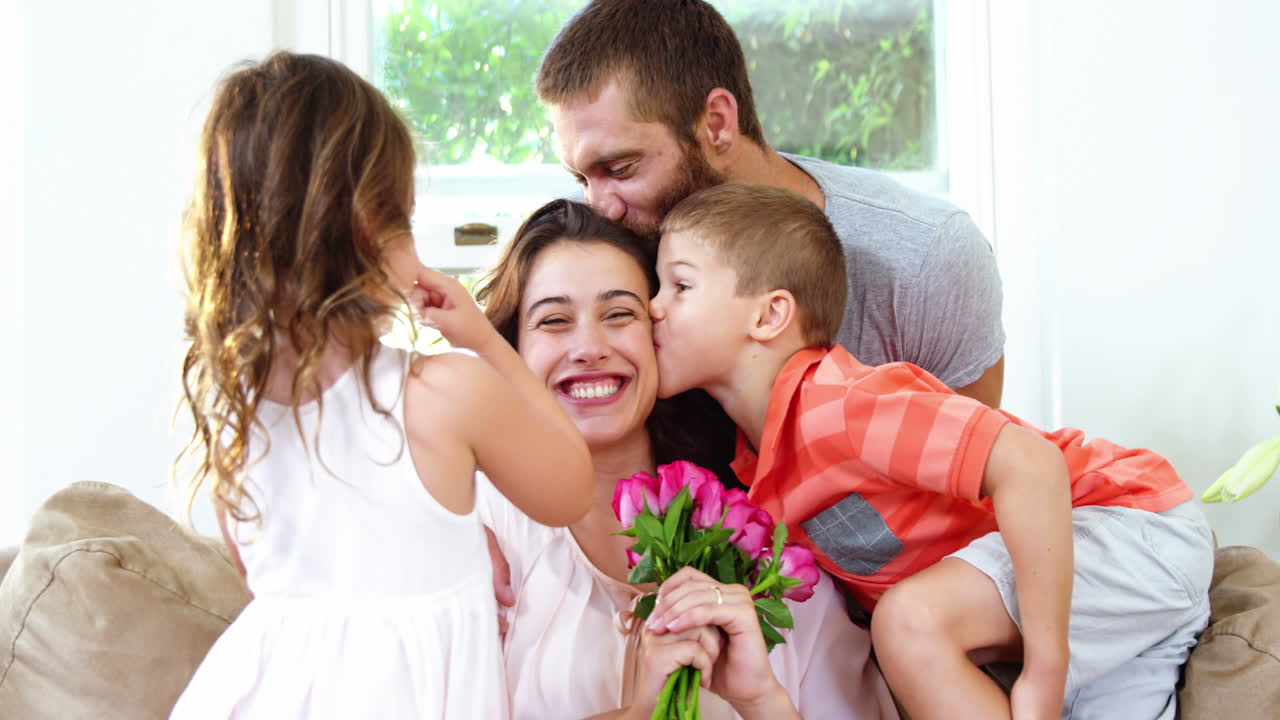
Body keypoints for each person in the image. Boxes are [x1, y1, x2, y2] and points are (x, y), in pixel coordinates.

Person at [642, 182, 1215, 720]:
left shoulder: (841, 406)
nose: (654, 307)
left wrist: (1045, 668)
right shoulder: (760, 467)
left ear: (769, 315)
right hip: (1116, 611)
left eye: (680, 285)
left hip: (1126, 527)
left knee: (909, 623)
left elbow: (1032, 466)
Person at [171, 51, 593, 718]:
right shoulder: (443, 394)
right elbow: (570, 483)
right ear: (373, 229)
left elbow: (266, 586)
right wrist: (483, 339)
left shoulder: (235, 420)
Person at [472, 199, 898, 720]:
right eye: (554, 320)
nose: (588, 347)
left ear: (663, 331)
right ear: (511, 350)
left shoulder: (771, 538)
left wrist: (760, 701)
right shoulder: (476, 540)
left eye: (620, 314)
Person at [537, 0, 1005, 408]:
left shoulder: (924, 257)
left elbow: (976, 487)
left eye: (620, 169)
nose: (599, 208)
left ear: (717, 124)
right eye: (580, 177)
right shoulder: (601, 253)